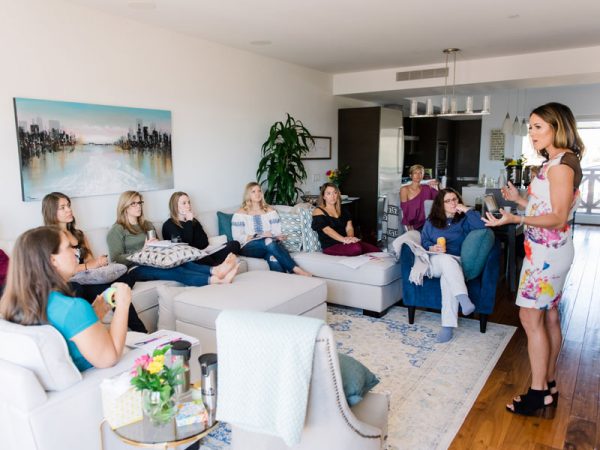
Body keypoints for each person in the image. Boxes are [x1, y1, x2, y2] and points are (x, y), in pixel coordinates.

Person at [483, 102, 584, 417]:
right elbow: (546, 207)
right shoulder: (555, 161)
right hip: (546, 252)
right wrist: (520, 200)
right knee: (548, 317)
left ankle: (538, 393)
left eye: (538, 126)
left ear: (558, 127)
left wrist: (516, 218)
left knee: (530, 317)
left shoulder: (561, 165)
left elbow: (557, 217)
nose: (532, 133)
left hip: (545, 257)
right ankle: (548, 385)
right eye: (530, 127)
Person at [0, 226, 131, 371]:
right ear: (53, 260)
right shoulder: (73, 307)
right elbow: (110, 358)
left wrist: (93, 315)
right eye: (69, 247)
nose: (76, 252)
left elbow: (69, 330)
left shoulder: (17, 304)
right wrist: (123, 304)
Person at [42, 192, 147, 332]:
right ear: (51, 212)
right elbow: (58, 271)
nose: (69, 210)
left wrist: (99, 263)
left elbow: (91, 263)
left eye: (68, 205)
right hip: (72, 283)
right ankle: (141, 331)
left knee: (125, 278)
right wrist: (88, 266)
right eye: (63, 207)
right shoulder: (49, 239)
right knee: (110, 292)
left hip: (88, 279)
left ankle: (143, 333)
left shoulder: (79, 234)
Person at [107, 191, 239, 286]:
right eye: (133, 204)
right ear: (124, 207)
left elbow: (159, 247)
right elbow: (116, 259)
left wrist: (159, 245)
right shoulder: (117, 230)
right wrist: (143, 250)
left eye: (139, 203)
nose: (139, 206)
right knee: (175, 271)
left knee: (182, 262)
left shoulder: (147, 225)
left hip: (154, 260)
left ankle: (216, 270)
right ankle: (217, 280)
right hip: (135, 268)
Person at [421, 188, 485, 343]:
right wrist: (432, 247)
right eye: (447, 201)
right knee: (446, 260)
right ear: (440, 204)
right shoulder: (431, 221)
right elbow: (424, 241)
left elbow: (482, 226)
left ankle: (447, 327)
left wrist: (466, 210)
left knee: (447, 278)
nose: (452, 203)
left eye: (455, 199)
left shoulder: (463, 220)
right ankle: (464, 299)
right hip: (435, 260)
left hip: (455, 262)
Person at [232, 182, 311, 276]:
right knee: (268, 241)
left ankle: (284, 281)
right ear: (248, 194)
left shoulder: (270, 211)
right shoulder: (240, 213)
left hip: (269, 245)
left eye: (259, 191)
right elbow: (237, 237)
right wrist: (257, 235)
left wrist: (277, 236)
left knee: (273, 257)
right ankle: (296, 269)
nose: (257, 194)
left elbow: (276, 231)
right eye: (253, 191)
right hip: (248, 247)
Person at [162, 191, 240, 266]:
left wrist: (190, 222)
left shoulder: (194, 221)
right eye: (184, 203)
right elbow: (184, 246)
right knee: (201, 259)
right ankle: (216, 264)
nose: (188, 206)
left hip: (205, 252)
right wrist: (188, 222)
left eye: (189, 202)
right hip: (189, 257)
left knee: (235, 244)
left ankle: (214, 264)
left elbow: (204, 242)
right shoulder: (168, 225)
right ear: (175, 206)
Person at [311, 183, 379, 256]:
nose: (332, 196)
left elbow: (349, 228)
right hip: (331, 246)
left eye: (335, 192)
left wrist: (350, 238)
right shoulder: (318, 211)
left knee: (376, 250)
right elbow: (327, 230)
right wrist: (344, 240)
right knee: (356, 248)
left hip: (346, 242)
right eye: (328, 193)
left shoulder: (343, 209)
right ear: (324, 196)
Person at [400, 164, 439, 231]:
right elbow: (404, 208)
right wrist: (408, 224)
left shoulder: (427, 188)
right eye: (415, 173)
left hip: (427, 223)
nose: (418, 175)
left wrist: (437, 185)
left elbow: (441, 197)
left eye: (420, 173)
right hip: (412, 224)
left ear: (423, 175)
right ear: (410, 175)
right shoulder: (404, 189)